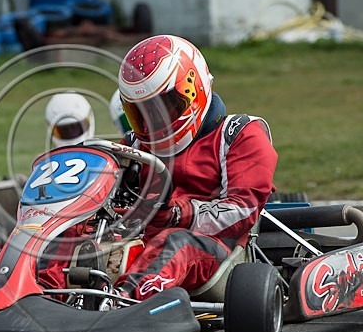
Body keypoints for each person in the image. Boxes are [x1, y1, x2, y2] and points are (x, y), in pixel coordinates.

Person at [108, 34, 279, 301]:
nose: (153, 120)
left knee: (176, 242)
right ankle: (36, 296)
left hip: (213, 250)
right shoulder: (134, 148)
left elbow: (243, 209)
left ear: (192, 88)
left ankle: (122, 304)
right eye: (141, 113)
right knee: (71, 237)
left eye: (163, 108)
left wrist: (179, 215)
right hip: (142, 245)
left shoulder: (239, 134)